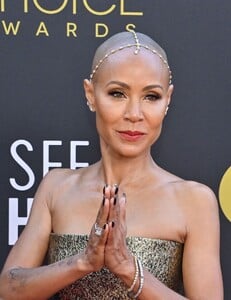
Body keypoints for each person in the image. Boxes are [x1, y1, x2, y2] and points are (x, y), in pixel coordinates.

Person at [0, 30, 223, 300]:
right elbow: (7, 290)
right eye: (117, 93)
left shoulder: (193, 200)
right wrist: (82, 262)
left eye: (151, 96)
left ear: (168, 101)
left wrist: (129, 270)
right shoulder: (57, 187)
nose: (134, 114)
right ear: (91, 94)